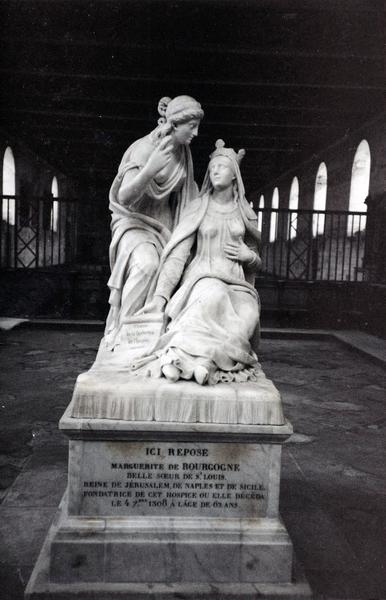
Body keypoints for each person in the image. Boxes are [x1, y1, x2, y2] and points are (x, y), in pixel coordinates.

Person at [134, 139, 262, 385]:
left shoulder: (245, 213)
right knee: (212, 297)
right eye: (212, 167)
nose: (214, 171)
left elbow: (256, 262)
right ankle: (178, 357)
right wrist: (160, 298)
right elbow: (178, 255)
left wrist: (250, 257)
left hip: (237, 284)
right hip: (203, 278)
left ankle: (203, 362)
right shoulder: (198, 207)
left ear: (235, 175)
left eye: (221, 167)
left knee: (249, 315)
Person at [104, 95, 204, 348]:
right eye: (191, 127)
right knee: (147, 265)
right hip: (134, 223)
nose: (196, 133)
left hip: (166, 227)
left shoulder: (183, 153)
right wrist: (149, 169)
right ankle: (126, 334)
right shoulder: (144, 149)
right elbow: (125, 196)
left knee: (185, 269)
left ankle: (157, 335)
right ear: (174, 124)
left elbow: (187, 195)